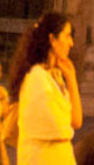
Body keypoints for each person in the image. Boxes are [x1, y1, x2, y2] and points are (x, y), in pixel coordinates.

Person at [12, 13, 81, 165]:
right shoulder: (37, 79)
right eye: (68, 36)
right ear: (52, 40)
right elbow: (61, 130)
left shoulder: (55, 77)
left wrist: (71, 78)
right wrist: (67, 125)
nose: (72, 43)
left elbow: (76, 121)